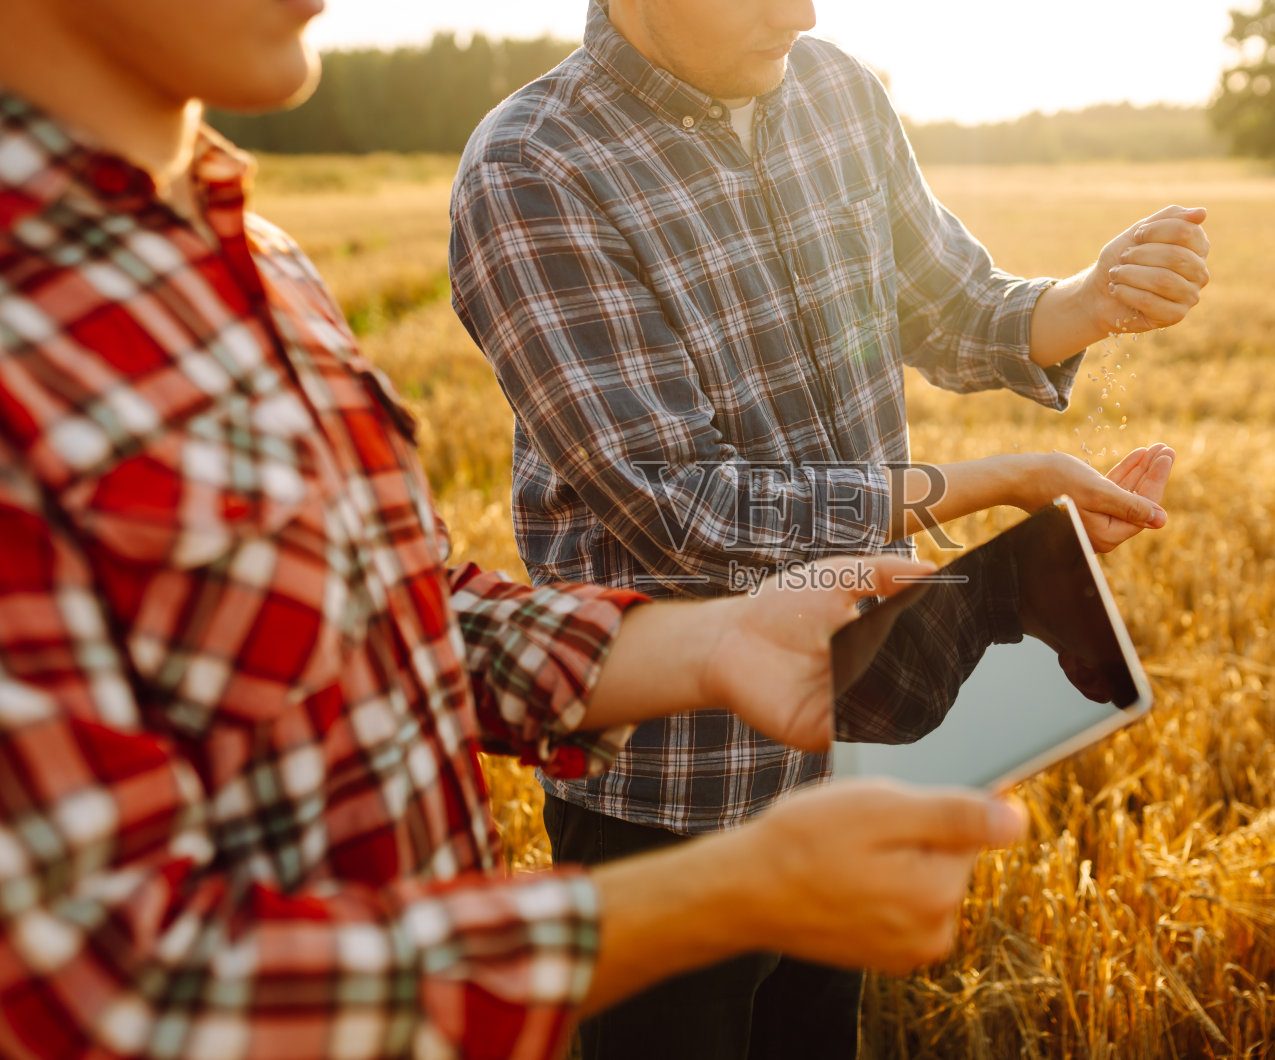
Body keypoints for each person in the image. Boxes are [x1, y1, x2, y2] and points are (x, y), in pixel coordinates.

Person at [0, 2, 1031, 1059]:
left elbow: (385, 625)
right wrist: (723, 896)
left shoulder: (248, 252)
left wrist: (712, 644)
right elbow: (108, 997)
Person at [448, 0, 1208, 1054]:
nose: (801, 13)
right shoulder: (535, 167)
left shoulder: (832, 86)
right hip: (669, 783)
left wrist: (1095, 293)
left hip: (852, 737)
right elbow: (683, 506)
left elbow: (950, 305)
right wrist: (989, 482)